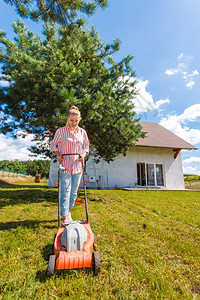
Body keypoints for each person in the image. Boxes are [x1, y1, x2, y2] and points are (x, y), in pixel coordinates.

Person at [50, 106, 89, 225]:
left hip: (77, 166)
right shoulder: (61, 131)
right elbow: (53, 145)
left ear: (79, 120)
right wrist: (58, 154)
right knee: (65, 190)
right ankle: (65, 215)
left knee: (74, 191)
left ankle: (68, 211)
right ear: (68, 119)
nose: (74, 123)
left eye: (76, 121)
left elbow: (86, 147)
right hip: (65, 165)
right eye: (71, 120)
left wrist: (83, 155)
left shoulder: (82, 132)